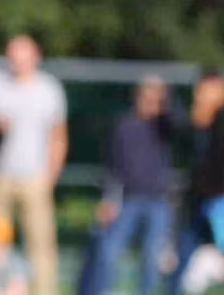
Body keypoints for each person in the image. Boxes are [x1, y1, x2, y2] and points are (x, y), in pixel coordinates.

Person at [0, 36, 66, 295]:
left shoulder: (48, 89)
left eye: (23, 57)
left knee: (41, 245)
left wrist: (51, 173)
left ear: (35, 57)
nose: (18, 63)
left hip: (35, 176)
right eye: (13, 57)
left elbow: (58, 135)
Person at [164, 69, 224, 295]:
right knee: (183, 255)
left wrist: (214, 193)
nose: (199, 94)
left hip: (217, 203)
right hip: (197, 202)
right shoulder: (200, 123)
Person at [87, 78, 174, 295]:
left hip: (157, 200)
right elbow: (112, 165)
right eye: (147, 96)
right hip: (127, 199)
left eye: (156, 97)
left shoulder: (162, 126)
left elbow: (179, 120)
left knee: (151, 255)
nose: (150, 101)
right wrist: (108, 197)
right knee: (109, 251)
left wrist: (166, 96)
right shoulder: (123, 125)